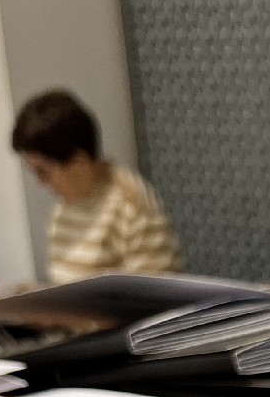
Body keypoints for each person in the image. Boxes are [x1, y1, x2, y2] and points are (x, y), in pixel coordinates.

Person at [10, 89, 181, 284]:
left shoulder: (131, 206)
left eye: (43, 172)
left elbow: (157, 293)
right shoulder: (65, 207)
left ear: (79, 163)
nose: (40, 183)